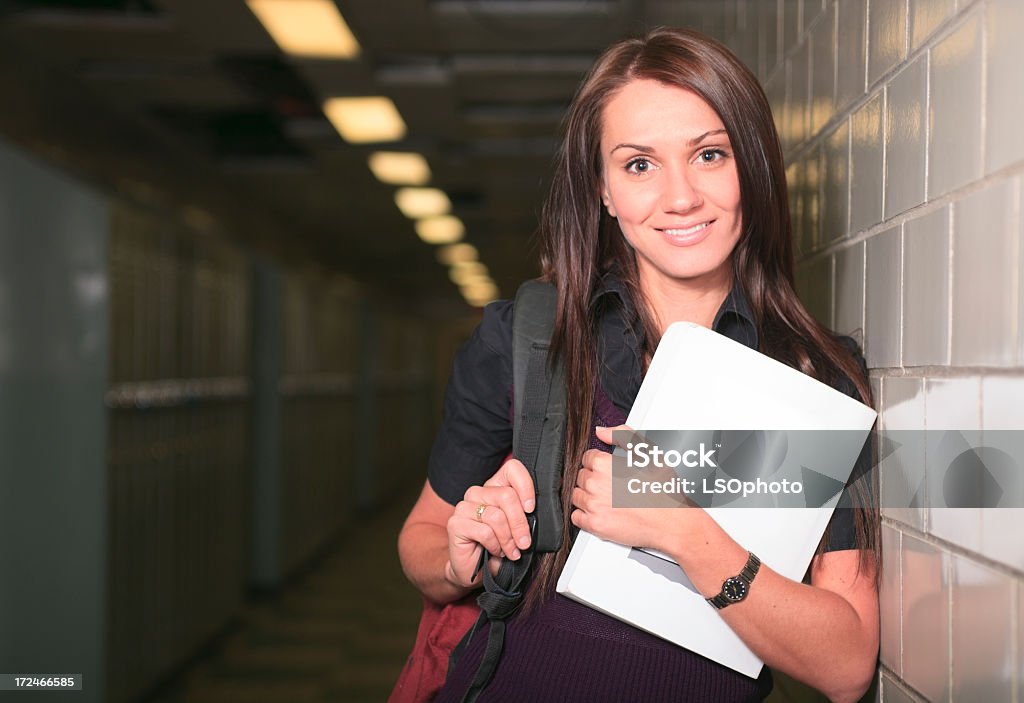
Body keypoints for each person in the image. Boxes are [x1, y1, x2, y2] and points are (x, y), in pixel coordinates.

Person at [398, 27, 879, 703]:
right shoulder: (528, 341)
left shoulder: (812, 376)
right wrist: (459, 552)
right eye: (639, 165)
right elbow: (419, 544)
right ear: (602, 189)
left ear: (754, 166)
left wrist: (681, 529)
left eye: (709, 154)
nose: (679, 196)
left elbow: (848, 663)